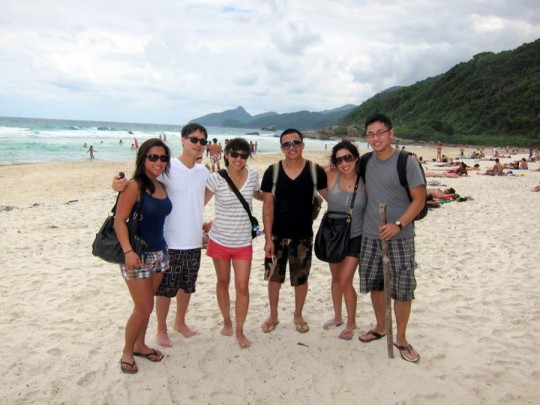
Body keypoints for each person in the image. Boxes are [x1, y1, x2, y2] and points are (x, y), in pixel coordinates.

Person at [114, 123, 210, 347]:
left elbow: (199, 199)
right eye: (194, 139)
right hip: (168, 240)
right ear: (183, 140)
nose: (198, 145)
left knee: (187, 285)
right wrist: (117, 184)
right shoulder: (167, 167)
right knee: (165, 290)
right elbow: (138, 185)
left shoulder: (203, 171)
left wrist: (202, 221)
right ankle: (161, 328)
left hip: (194, 239)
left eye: (202, 141)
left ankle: (180, 322)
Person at [357, 113, 425, 363]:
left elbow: (419, 199)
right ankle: (381, 326)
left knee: (403, 289)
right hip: (370, 235)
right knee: (376, 284)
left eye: (380, 132)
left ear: (391, 133)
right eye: (371, 134)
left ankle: (402, 338)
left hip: (401, 236)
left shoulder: (406, 162)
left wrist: (398, 224)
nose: (376, 138)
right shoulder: (365, 162)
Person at [260, 128, 328, 334]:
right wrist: (268, 239)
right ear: (281, 148)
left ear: (303, 145)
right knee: (273, 278)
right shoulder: (272, 172)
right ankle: (273, 315)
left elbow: (331, 199)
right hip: (277, 236)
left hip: (304, 236)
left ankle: (298, 315)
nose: (292, 147)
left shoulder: (315, 171)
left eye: (296, 143)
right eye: (287, 144)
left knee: (301, 279)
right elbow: (268, 207)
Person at [115, 138, 173, 374]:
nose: (158, 162)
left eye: (163, 158)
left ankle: (139, 345)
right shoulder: (134, 185)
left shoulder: (161, 185)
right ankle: (127, 351)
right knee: (143, 306)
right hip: (137, 255)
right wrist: (128, 251)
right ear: (143, 158)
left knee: (146, 306)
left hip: (159, 253)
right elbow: (119, 220)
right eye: (153, 157)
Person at [204, 138, 263, 348]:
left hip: (243, 242)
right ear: (226, 154)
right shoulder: (215, 178)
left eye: (243, 155)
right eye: (235, 154)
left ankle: (239, 330)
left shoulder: (253, 174)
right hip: (219, 239)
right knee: (222, 282)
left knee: (243, 287)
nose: (239, 159)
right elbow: (198, 203)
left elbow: (258, 195)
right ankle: (227, 320)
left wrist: (278, 196)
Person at [322, 141, 366, 340]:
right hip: (333, 234)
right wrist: (329, 166)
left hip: (356, 235)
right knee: (335, 278)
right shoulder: (331, 175)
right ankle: (338, 317)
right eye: (339, 159)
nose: (344, 162)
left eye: (348, 157)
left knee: (345, 279)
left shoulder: (366, 180)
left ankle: (351, 322)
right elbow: (310, 171)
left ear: (356, 157)